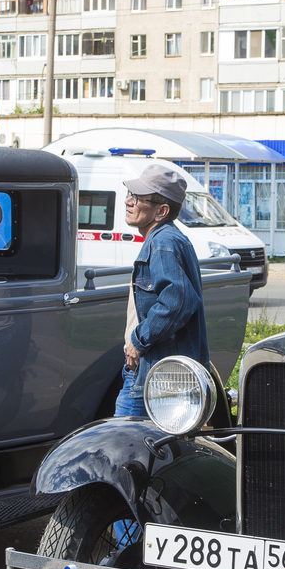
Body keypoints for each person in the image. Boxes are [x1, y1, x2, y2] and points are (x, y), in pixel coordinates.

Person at [115, 163, 209, 418]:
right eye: (130, 196)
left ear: (161, 211)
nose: (128, 201)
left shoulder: (163, 242)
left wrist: (138, 340)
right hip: (160, 375)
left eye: (137, 198)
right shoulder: (165, 239)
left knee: (124, 444)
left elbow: (177, 300)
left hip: (156, 377)